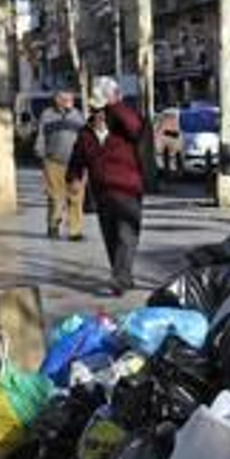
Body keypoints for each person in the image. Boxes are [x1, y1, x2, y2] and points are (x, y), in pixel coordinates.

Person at [66, 77, 146, 296]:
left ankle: (119, 278)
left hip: (127, 189)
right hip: (102, 193)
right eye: (95, 109)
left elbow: (136, 126)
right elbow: (77, 159)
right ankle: (122, 276)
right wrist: (73, 178)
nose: (98, 113)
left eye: (102, 108)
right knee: (111, 236)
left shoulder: (123, 125)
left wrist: (114, 103)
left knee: (126, 235)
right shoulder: (85, 133)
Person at [36, 90, 86, 240]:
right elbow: (41, 136)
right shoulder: (47, 114)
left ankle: (75, 231)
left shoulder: (78, 115)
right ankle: (53, 226)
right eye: (63, 98)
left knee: (76, 197)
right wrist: (40, 154)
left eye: (69, 98)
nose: (67, 101)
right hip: (53, 162)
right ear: (56, 100)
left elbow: (84, 138)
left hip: (75, 163)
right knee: (55, 197)